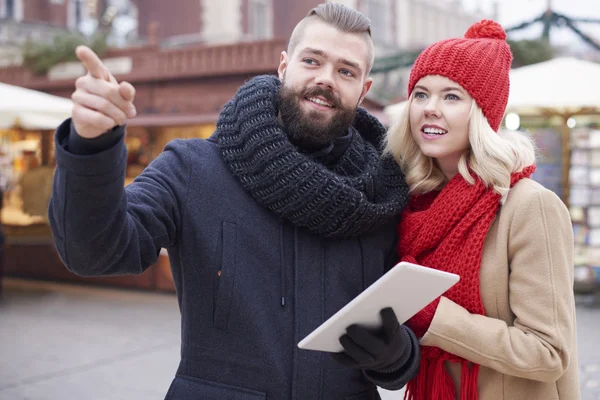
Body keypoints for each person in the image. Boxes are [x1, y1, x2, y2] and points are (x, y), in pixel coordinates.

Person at [48, 3, 420, 399]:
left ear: (363, 90)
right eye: (312, 61)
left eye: (346, 71)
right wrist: (92, 145)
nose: (326, 79)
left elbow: (402, 360)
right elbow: (95, 252)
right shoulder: (192, 167)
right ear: (283, 66)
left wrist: (396, 353)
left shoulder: (382, 193)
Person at [384, 19, 580, 400]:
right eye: (421, 95)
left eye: (452, 97)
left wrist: (434, 317)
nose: (430, 109)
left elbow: (549, 353)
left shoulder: (529, 207)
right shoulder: (412, 204)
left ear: (483, 114)